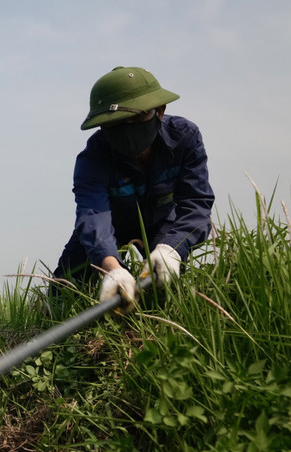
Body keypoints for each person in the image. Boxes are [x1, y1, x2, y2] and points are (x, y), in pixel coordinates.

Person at [52, 66, 214, 309]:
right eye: (114, 124)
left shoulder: (184, 138)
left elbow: (196, 203)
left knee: (163, 288)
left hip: (162, 223)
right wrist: (112, 268)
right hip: (110, 226)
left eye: (135, 118)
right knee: (64, 290)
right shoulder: (92, 159)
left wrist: (172, 248)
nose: (126, 131)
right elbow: (93, 215)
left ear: (159, 111)